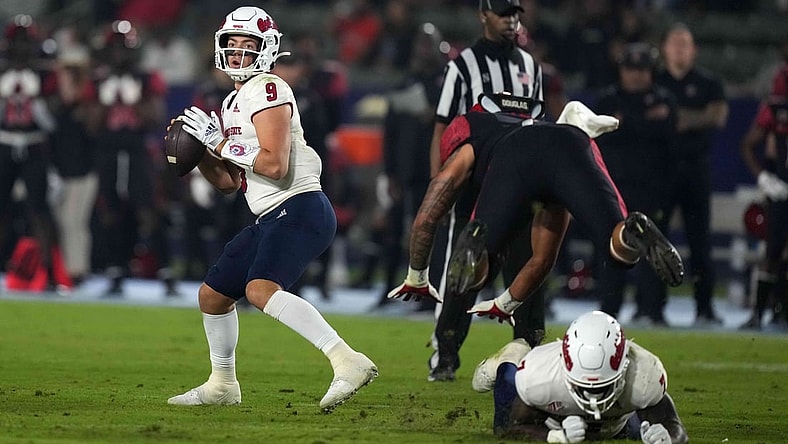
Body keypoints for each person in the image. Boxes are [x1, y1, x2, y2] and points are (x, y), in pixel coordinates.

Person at [166, 6, 377, 412]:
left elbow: (274, 165)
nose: (239, 52)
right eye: (233, 43)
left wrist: (221, 142)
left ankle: (346, 360)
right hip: (270, 213)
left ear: (267, 50)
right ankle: (222, 383)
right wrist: (199, 150)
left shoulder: (268, 89)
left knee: (260, 290)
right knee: (212, 295)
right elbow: (229, 183)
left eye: (250, 45)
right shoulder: (232, 101)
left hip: (300, 205)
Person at [388, 94, 683, 332]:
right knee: (616, 248)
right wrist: (506, 303)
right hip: (573, 142)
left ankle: (477, 245)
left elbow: (428, 215)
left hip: (512, 156)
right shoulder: (549, 129)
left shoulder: (474, 127)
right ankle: (633, 229)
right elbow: (542, 259)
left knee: (480, 271)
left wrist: (417, 275)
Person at [423, 0, 545, 383]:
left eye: (515, 14)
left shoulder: (531, 66)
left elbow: (538, 127)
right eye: (503, 13)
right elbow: (442, 128)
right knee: (464, 270)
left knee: (527, 267)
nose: (511, 20)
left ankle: (530, 348)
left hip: (522, 183)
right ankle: (445, 355)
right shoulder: (462, 67)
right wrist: (438, 188)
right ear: (483, 15)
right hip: (475, 184)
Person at [471, 310, 689, 443]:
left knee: (642, 431)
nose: (593, 398)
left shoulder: (644, 374)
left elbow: (674, 426)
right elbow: (511, 428)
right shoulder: (539, 377)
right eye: (583, 386)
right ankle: (510, 358)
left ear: (625, 366)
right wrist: (553, 436)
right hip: (551, 416)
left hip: (615, 423)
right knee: (502, 417)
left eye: (602, 386)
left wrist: (668, 438)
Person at [594, 42, 678, 326]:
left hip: (653, 188)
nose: (637, 75)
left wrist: (625, 123)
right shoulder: (607, 99)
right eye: (631, 69)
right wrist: (644, 123)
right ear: (621, 70)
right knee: (611, 248)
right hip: (615, 188)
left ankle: (652, 309)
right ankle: (608, 308)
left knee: (653, 250)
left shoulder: (665, 98)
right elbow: (600, 137)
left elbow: (667, 135)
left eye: (642, 69)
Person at [655, 23, 729, 326]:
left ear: (694, 50)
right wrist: (696, 117)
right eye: (675, 43)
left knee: (701, 242)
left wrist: (675, 117)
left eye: (685, 43)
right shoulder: (655, 81)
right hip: (662, 172)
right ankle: (653, 307)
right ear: (664, 49)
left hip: (696, 172)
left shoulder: (709, 82)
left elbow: (719, 116)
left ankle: (705, 307)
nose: (680, 49)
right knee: (656, 242)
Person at [739, 62, 788, 330]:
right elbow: (748, 144)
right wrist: (763, 177)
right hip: (782, 186)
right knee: (772, 251)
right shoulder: (776, 108)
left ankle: (780, 311)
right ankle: (758, 314)